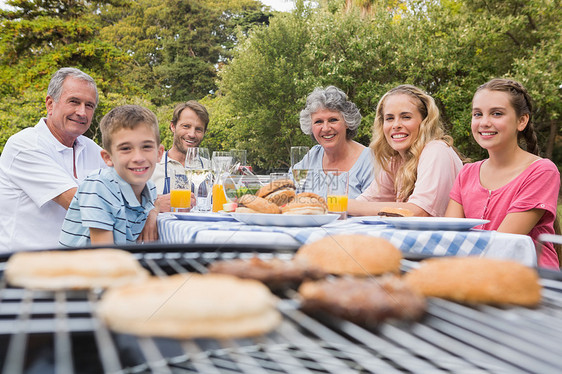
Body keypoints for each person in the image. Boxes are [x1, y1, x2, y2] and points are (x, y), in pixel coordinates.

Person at [445, 78, 560, 269]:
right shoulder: (467, 173)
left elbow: (503, 244)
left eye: (496, 114)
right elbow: (450, 237)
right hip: (474, 273)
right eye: (477, 114)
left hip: (530, 278)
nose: (484, 122)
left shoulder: (541, 171)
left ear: (522, 121)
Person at [0, 67, 107, 252]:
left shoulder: (90, 148)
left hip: (72, 266)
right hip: (23, 268)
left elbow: (128, 186)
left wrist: (152, 205)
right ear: (50, 104)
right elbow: (80, 204)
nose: (82, 112)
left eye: (89, 105)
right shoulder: (25, 145)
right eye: (74, 102)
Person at [348, 84, 463, 216]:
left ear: (424, 121)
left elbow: (418, 211)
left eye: (406, 117)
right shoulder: (397, 161)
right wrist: (328, 206)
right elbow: (365, 202)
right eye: (389, 118)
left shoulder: (436, 150)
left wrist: (345, 205)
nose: (396, 125)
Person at [59, 105, 164, 247]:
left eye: (146, 147)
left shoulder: (149, 188)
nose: (138, 158)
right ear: (108, 157)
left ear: (159, 153)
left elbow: (155, 202)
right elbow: (104, 256)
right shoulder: (99, 185)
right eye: (126, 148)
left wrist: (153, 212)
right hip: (80, 267)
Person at [294, 86, 375, 198]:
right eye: (318, 122)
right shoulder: (311, 157)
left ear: (347, 122)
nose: (326, 128)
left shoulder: (370, 161)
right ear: (310, 126)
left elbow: (375, 208)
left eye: (333, 120)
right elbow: (289, 191)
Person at [150, 101, 209, 211]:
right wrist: (155, 204)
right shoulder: (151, 166)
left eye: (198, 129)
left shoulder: (210, 168)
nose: (192, 134)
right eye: (186, 126)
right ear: (173, 126)